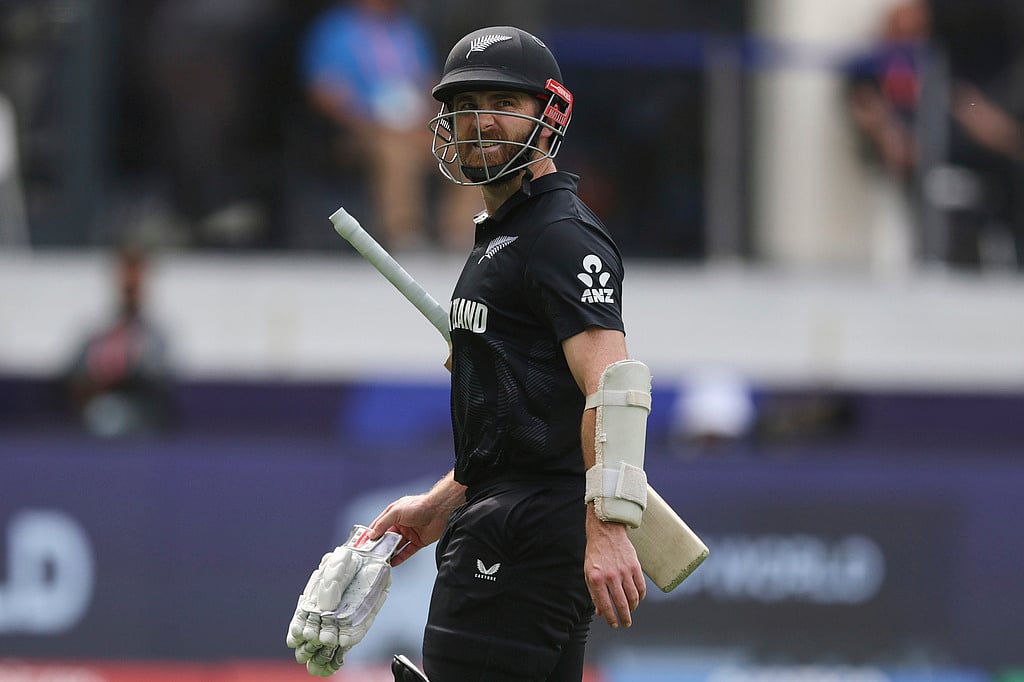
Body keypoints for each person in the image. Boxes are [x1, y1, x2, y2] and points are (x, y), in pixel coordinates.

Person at [362, 26, 648, 681]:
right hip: (511, 521)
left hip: (524, 535)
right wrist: (439, 506)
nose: (480, 120)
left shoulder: (557, 236)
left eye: (503, 101)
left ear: (548, 117)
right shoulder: (506, 237)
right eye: (465, 104)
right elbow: (524, 420)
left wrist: (607, 528)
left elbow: (615, 386)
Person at [301, 0, 480, 252]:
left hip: (413, 125)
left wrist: (429, 117)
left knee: (467, 149)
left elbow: (428, 83)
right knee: (396, 153)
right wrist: (368, 123)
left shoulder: (408, 31)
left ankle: (459, 234)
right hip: (361, 128)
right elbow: (324, 91)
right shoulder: (334, 30)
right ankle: (404, 235)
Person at [62, 246, 174, 438]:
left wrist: (124, 376)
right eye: (125, 278)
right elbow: (73, 375)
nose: (129, 285)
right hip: (94, 417)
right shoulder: (97, 335)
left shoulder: (154, 338)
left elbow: (160, 381)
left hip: (141, 419)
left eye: (135, 279)